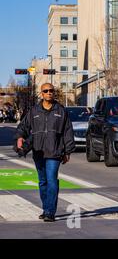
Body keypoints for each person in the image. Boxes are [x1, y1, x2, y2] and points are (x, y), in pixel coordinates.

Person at [15, 83, 75, 222]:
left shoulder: (61, 111)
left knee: (52, 179)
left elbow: (68, 132)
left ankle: (50, 212)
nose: (49, 93)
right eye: (46, 91)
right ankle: (46, 208)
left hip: (55, 151)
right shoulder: (34, 111)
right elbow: (23, 126)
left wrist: (68, 151)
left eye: (51, 91)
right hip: (38, 151)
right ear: (41, 94)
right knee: (43, 181)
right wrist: (19, 138)